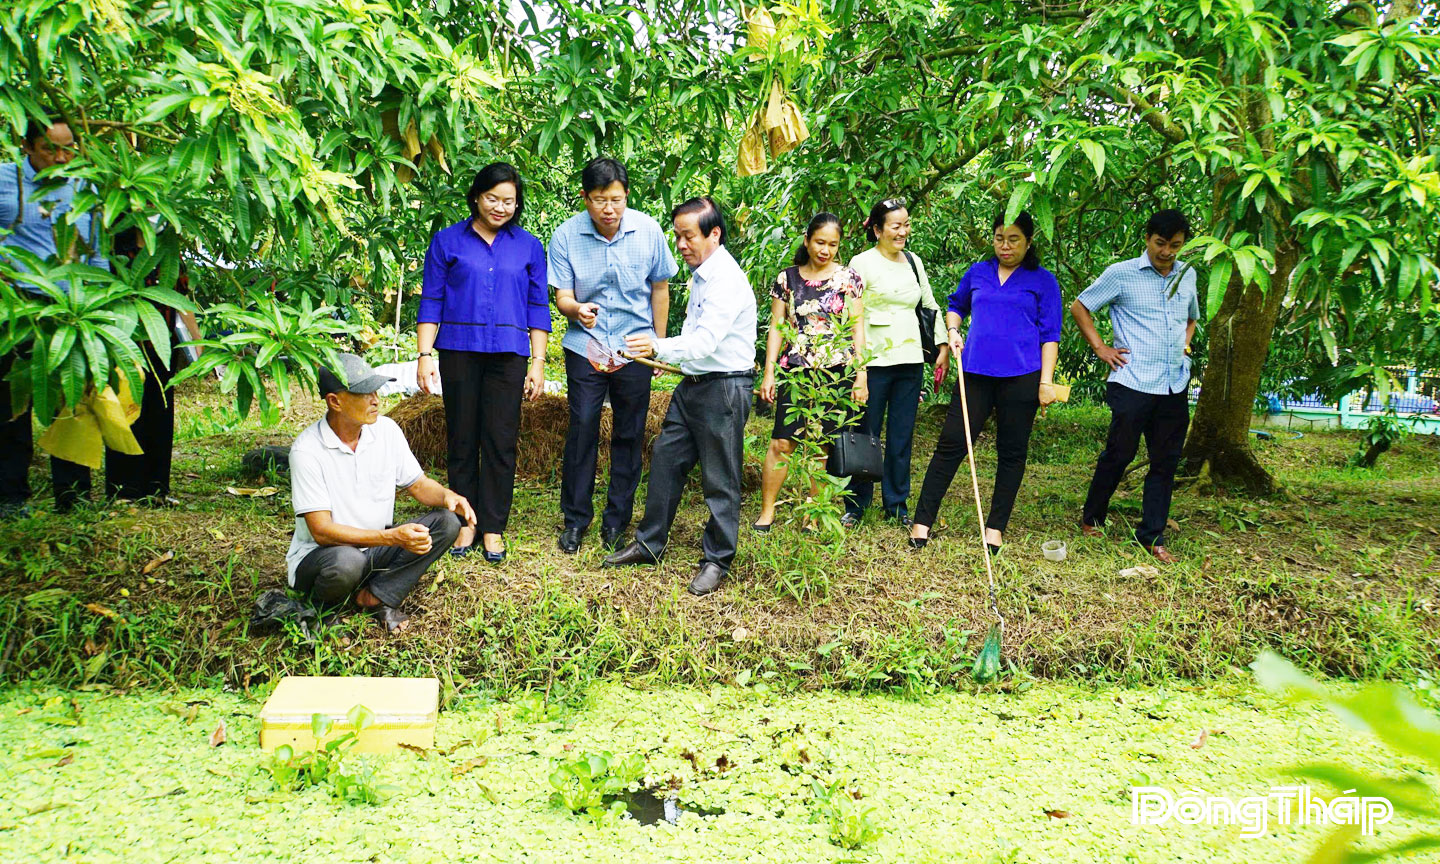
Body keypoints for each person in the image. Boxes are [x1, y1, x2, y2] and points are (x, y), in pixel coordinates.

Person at [603, 197, 757, 596]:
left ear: (714, 233)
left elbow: (705, 342)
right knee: (666, 460)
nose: (682, 245)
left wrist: (658, 346)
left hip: (724, 387)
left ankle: (717, 559)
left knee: (720, 476)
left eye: (689, 236)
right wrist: (668, 356)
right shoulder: (701, 276)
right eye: (678, 237)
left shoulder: (726, 279)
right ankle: (649, 543)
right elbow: (693, 336)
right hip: (693, 384)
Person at [416, 163, 549, 563]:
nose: (500, 207)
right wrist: (424, 355)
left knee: (500, 439)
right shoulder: (446, 241)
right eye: (493, 198)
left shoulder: (529, 246)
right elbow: (432, 300)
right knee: (461, 437)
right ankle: (465, 522)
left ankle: (492, 526)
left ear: (517, 204)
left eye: (509, 201)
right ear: (476, 196)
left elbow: (537, 307)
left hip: (509, 354)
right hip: (459, 351)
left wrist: (538, 361)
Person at [286, 353, 476, 633]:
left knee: (446, 523)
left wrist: (448, 496)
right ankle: (324, 610)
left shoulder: (386, 431)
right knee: (348, 561)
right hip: (324, 557)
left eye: (376, 391)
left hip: (373, 550)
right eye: (365, 393)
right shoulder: (307, 451)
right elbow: (322, 532)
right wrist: (391, 537)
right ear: (335, 401)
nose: (376, 400)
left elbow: (418, 484)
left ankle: (376, 595)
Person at [908, 212, 1062, 551]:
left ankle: (995, 529)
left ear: (1029, 241)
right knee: (951, 444)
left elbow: (1050, 335)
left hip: (1022, 376)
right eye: (999, 238)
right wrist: (953, 331)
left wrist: (1046, 383)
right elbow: (955, 306)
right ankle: (922, 522)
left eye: (1014, 239)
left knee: (1012, 452)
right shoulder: (978, 272)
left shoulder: (1043, 281)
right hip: (975, 373)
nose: (1005, 246)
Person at [549, 158, 678, 554]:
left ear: (627, 196)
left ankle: (616, 521)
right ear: (585, 198)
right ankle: (575, 520)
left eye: (617, 200)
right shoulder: (566, 236)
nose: (609, 209)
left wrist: (658, 343)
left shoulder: (648, 231)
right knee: (583, 428)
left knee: (629, 432)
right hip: (586, 345)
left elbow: (660, 288)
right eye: (600, 200)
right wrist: (576, 310)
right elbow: (563, 296)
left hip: (634, 346)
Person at [1072, 209, 1199, 564]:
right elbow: (1080, 307)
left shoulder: (1188, 274)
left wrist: (1184, 346)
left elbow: (1191, 318)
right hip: (1132, 381)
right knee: (1119, 454)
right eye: (1160, 243)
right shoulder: (1121, 273)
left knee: (1166, 462)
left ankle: (1152, 536)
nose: (1167, 252)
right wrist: (1101, 348)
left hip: (1174, 384)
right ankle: (1092, 518)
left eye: (1175, 245)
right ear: (1147, 239)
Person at [0, 116, 108, 517]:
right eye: (50, 149)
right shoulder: (5, 180)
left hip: (71, 311)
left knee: (72, 403)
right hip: (17, 309)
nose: (61, 158)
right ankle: (10, 496)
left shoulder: (84, 187)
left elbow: (96, 252)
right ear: (27, 146)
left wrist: (100, 307)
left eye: (68, 149)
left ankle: (73, 496)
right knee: (11, 404)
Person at [755, 213, 867, 532]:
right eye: (819, 242)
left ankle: (813, 514)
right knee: (782, 442)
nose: (825, 250)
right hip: (796, 372)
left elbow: (857, 328)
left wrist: (861, 374)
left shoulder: (848, 278)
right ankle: (767, 511)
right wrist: (769, 372)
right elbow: (776, 328)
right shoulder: (787, 279)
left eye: (832, 244)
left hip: (835, 371)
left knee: (822, 446)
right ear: (807, 241)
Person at [844, 198, 949, 527]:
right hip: (873, 361)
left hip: (910, 359)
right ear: (877, 230)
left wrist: (942, 344)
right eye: (895, 226)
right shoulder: (861, 263)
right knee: (865, 432)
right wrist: (858, 366)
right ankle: (856, 504)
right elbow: (851, 316)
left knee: (901, 435)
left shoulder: (914, 262)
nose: (903, 231)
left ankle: (896, 504)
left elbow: (929, 304)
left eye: (906, 225)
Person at [104, 226, 203, 504]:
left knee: (160, 413)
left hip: (162, 344)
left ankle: (156, 488)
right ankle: (123, 489)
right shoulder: (114, 251)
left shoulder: (167, 252)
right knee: (127, 411)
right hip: (126, 343)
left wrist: (197, 339)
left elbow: (181, 297)